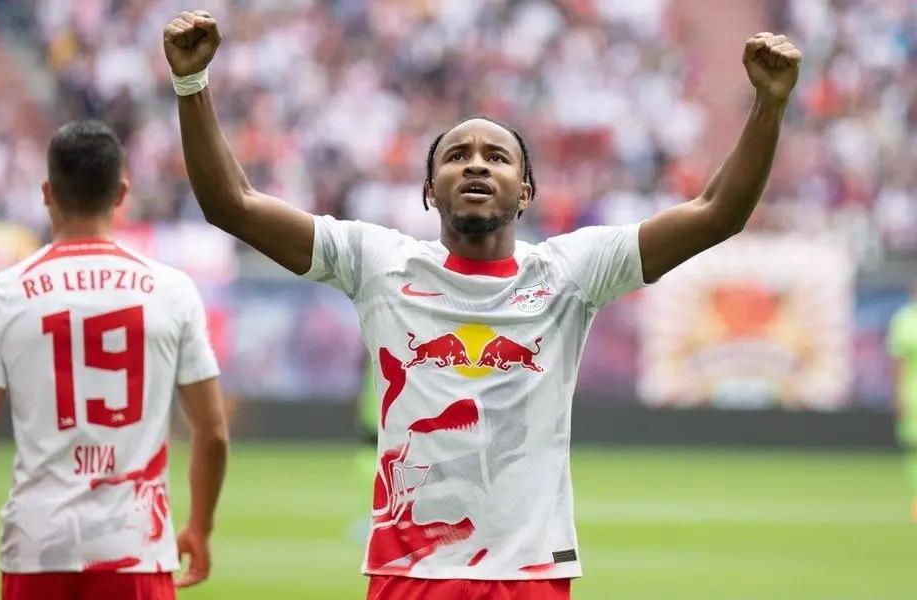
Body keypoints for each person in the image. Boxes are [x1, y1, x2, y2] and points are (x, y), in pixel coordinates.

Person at [164, 11, 801, 600]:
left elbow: (717, 213)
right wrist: (191, 84)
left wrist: (768, 106)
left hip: (529, 575)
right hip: (410, 574)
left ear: (524, 192)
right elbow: (233, 205)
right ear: (429, 190)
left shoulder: (571, 271)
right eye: (457, 156)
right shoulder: (379, 262)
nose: (476, 165)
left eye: (496, 157)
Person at [0, 120, 229, 600]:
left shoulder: (0, 295)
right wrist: (200, 527)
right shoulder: (171, 291)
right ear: (121, 193)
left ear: (47, 192)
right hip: (136, 547)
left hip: (37, 549)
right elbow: (212, 432)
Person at [888, 280, 917, 521]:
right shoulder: (905, 319)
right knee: (913, 448)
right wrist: (897, 395)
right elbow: (899, 362)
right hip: (912, 396)